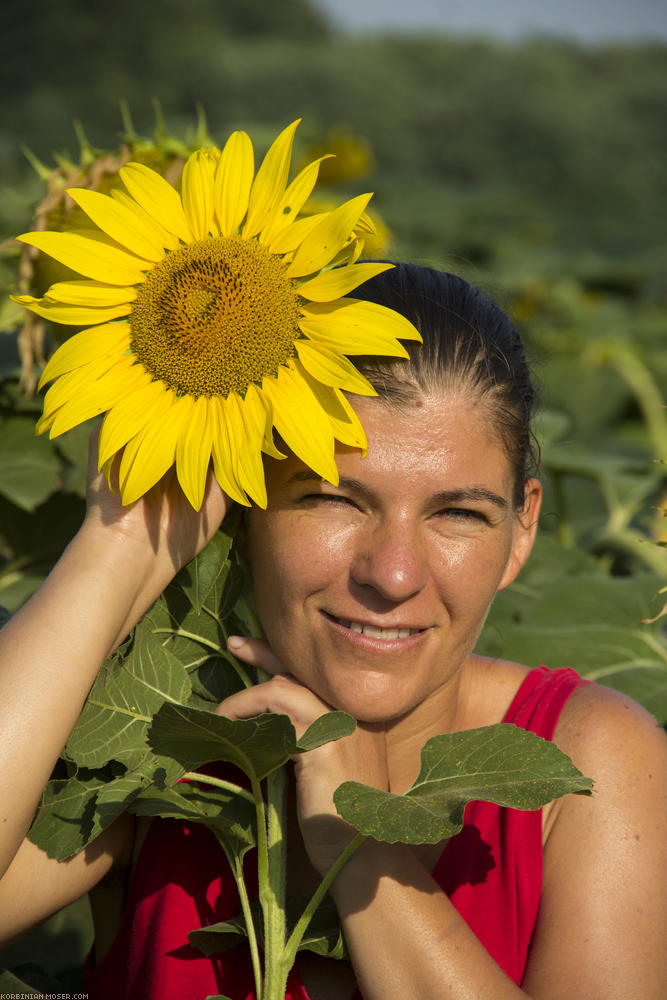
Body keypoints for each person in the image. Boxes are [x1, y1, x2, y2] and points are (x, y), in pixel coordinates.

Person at [0, 263, 665, 1000]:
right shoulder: (168, 741)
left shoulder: (587, 764)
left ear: (521, 530)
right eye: (333, 500)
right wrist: (118, 546)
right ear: (245, 508)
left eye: (457, 514)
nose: (393, 574)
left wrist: (359, 846)